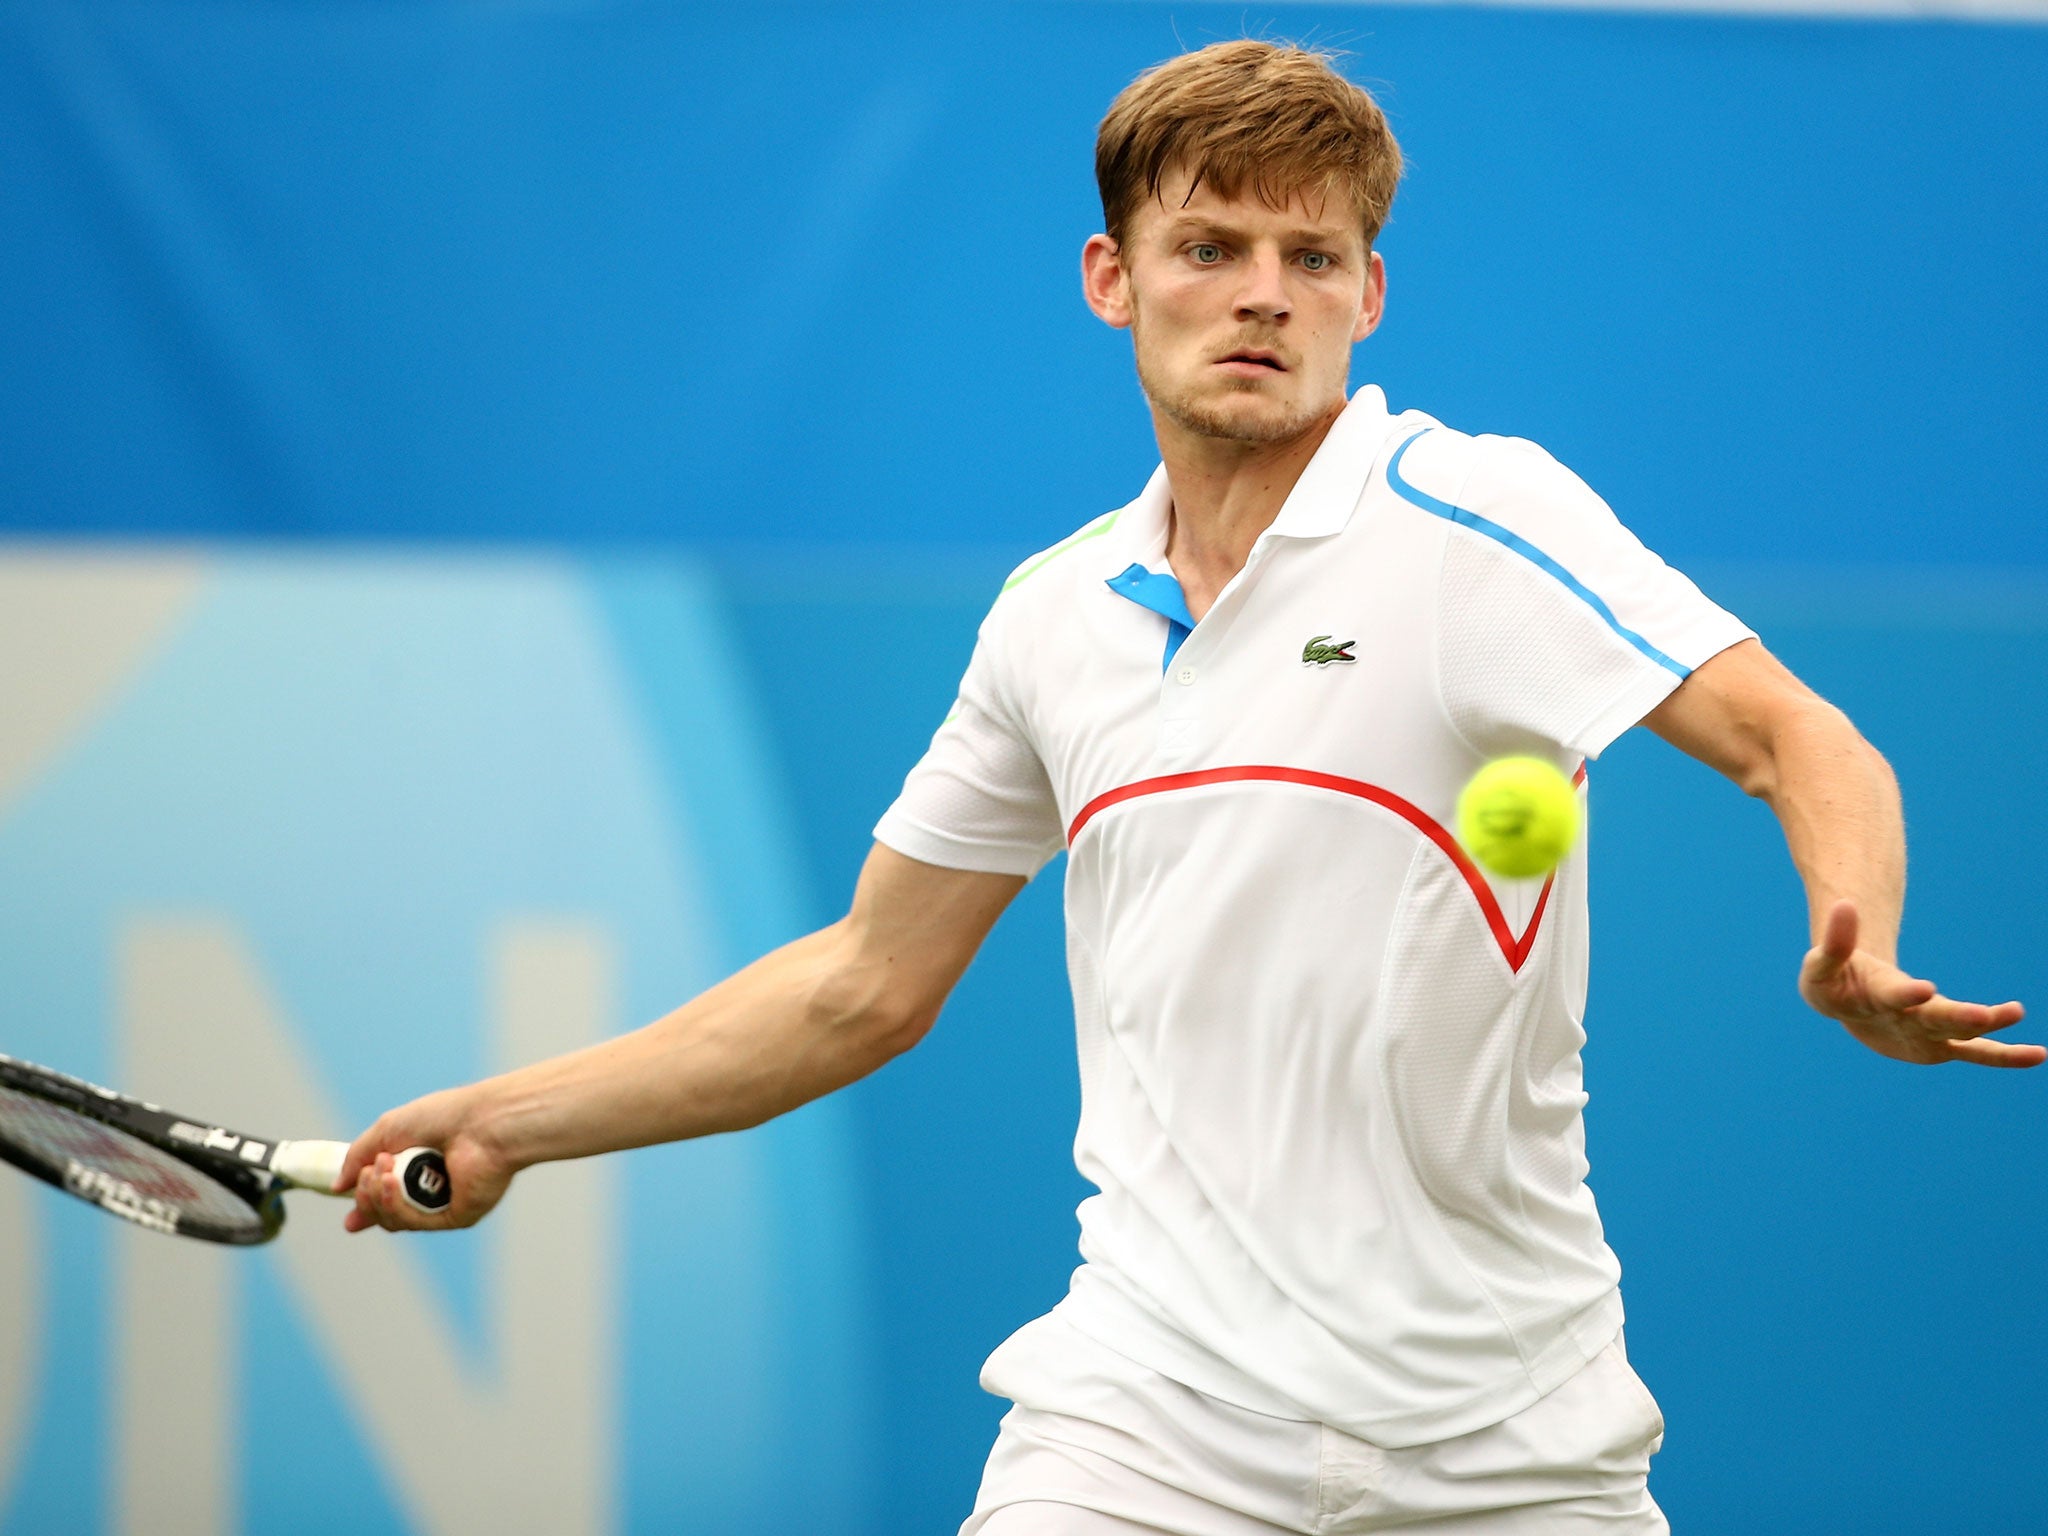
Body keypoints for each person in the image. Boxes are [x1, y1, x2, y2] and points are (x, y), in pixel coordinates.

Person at [340, 39, 2039, 1535]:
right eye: (1210, 248)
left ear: (1371, 296)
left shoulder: (1477, 522)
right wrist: (508, 1122)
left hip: (1512, 1447)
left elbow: (1802, 741)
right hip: (1147, 1427)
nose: (1262, 294)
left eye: (1315, 257)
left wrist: (1860, 937)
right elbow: (863, 984)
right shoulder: (1050, 620)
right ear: (1112, 276)